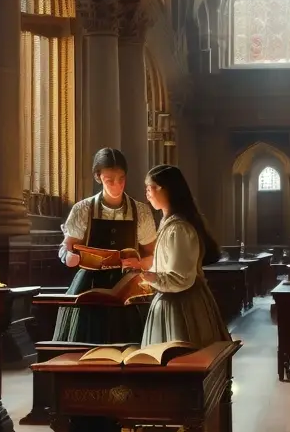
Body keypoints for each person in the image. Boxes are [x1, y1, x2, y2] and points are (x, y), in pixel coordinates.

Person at [54, 147, 157, 343]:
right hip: (89, 285)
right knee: (86, 341)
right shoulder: (83, 209)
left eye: (121, 179)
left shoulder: (140, 211)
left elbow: (153, 256)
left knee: (130, 343)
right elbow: (65, 248)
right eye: (110, 180)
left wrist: (140, 263)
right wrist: (68, 257)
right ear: (98, 177)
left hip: (128, 286)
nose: (117, 185)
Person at [140, 164, 232, 348]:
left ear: (167, 189)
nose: (147, 193)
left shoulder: (179, 229)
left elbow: (180, 278)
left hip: (182, 306)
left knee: (181, 358)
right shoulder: (168, 223)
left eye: (151, 188)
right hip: (169, 300)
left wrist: (148, 277)